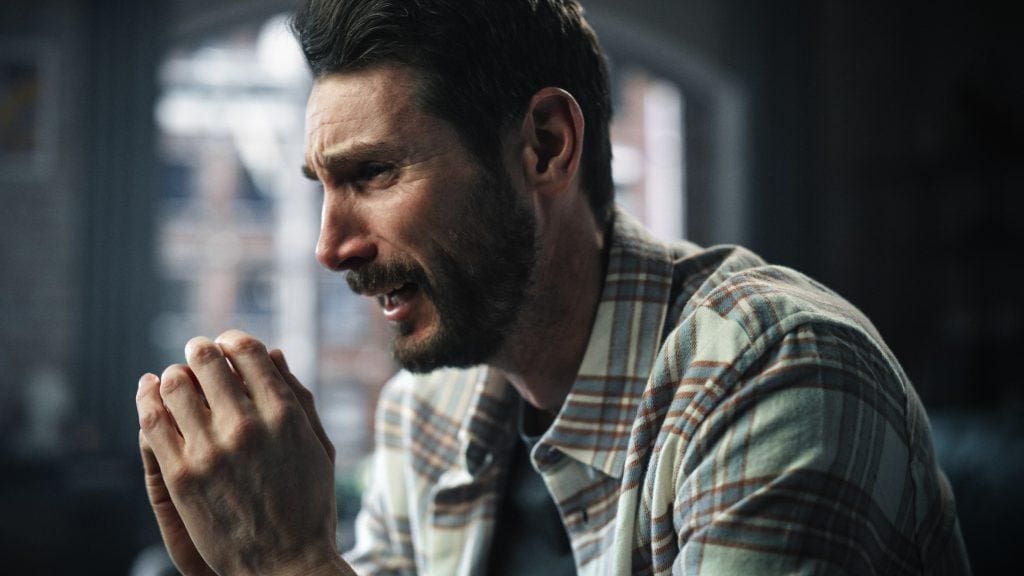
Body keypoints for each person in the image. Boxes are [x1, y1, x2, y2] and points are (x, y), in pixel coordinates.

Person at [134, 0, 972, 574]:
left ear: (544, 145)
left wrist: (294, 564)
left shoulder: (781, 378)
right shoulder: (425, 416)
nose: (330, 246)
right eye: (323, 185)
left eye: (376, 173)